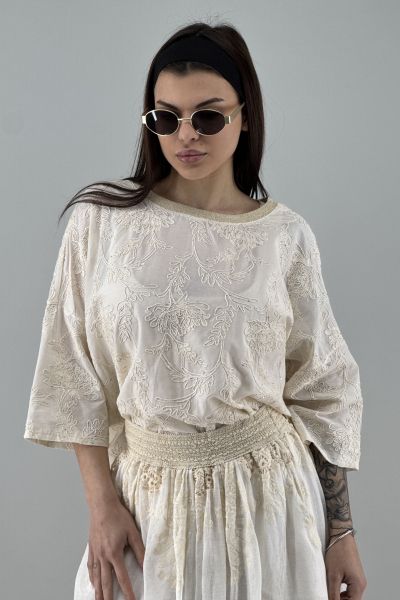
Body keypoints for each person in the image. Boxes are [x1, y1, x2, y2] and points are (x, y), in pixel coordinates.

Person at [23, 21, 367, 600]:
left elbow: (321, 388)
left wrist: (341, 533)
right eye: (166, 118)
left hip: (271, 503)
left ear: (245, 115)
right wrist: (102, 507)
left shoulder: (285, 237)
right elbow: (71, 374)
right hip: (147, 500)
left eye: (208, 117)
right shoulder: (99, 224)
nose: (186, 135)